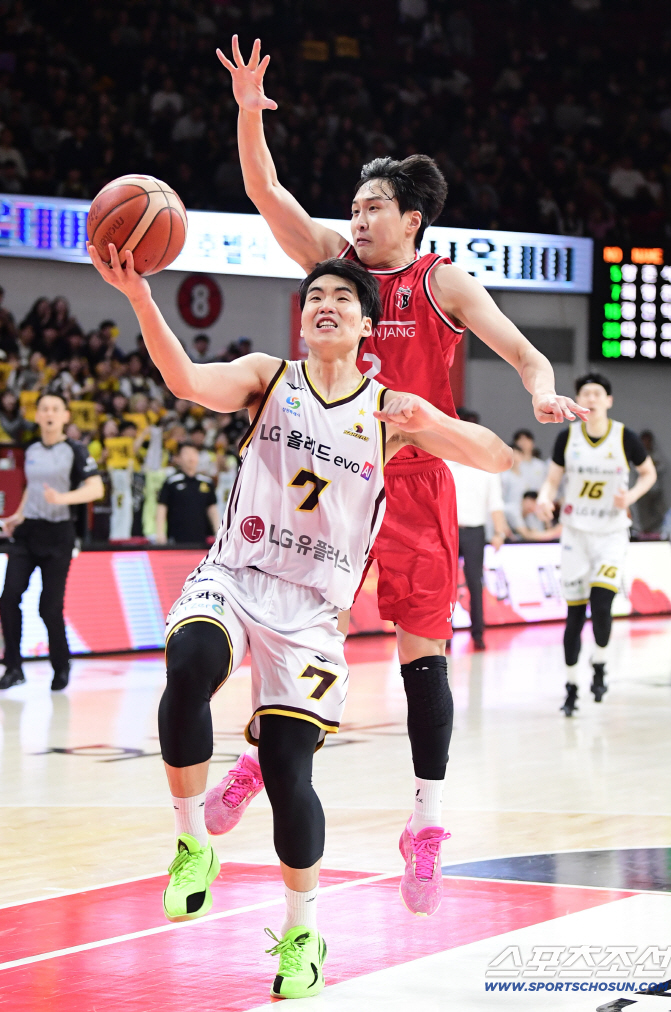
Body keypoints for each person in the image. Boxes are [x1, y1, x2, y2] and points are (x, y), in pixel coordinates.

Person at [215, 36, 588, 909]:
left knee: (423, 661)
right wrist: (246, 112)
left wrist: (542, 392)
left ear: (412, 218)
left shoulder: (439, 282)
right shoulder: (333, 271)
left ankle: (424, 826)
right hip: (328, 483)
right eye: (354, 203)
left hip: (417, 481)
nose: (358, 215)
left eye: (373, 205)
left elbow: (523, 350)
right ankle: (253, 764)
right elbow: (266, 191)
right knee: (294, 637)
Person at [87, 241, 512, 997]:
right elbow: (185, 380)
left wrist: (433, 420)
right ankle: (193, 844)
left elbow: (494, 456)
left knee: (288, 769)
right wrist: (141, 299)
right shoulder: (267, 377)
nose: (325, 304)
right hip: (235, 575)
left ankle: (302, 929)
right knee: (187, 667)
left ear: (364, 326)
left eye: (342, 299)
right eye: (315, 296)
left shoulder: (388, 412)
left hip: (313, 615)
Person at [537, 373, 657, 716]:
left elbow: (648, 473)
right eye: (584, 393)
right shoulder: (567, 437)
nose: (590, 397)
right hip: (575, 532)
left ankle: (600, 662)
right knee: (574, 615)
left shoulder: (624, 437)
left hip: (611, 533)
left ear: (608, 400)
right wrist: (546, 500)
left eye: (597, 393)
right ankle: (572, 686)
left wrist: (630, 495)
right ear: (577, 401)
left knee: (602, 604)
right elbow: (551, 481)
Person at [0, 393, 103, 691]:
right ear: (37, 415)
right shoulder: (31, 449)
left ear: (65, 416)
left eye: (55, 409)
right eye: (44, 408)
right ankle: (14, 667)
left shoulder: (76, 450)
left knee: (49, 607)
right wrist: (17, 516)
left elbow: (95, 488)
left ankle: (61, 665)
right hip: (27, 533)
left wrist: (63, 498)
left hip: (59, 535)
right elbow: (32, 490)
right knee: (8, 598)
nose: (49, 413)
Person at [446, 408, 508, 650]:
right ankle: (445, 632)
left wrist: (499, 532)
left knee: (474, 581)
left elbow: (496, 503)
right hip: (448, 530)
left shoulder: (485, 465)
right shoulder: (443, 462)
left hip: (474, 531)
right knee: (446, 585)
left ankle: (478, 632)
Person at [156, 443, 219, 545]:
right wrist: (160, 533)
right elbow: (162, 507)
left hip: (201, 538)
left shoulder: (207, 482)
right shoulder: (171, 482)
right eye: (186, 453)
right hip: (176, 539)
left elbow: (212, 509)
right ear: (178, 458)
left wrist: (218, 532)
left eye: (194, 453)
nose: (191, 456)